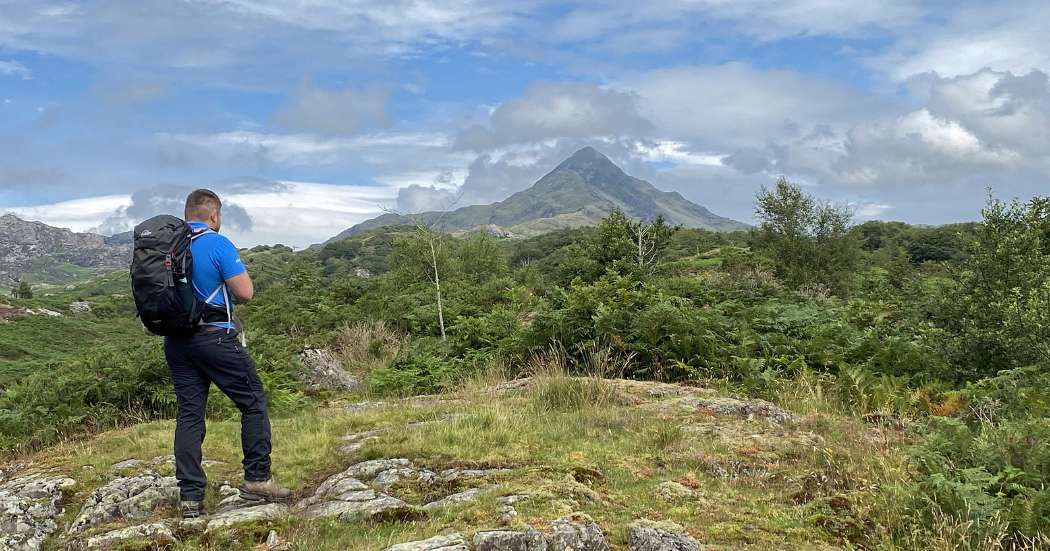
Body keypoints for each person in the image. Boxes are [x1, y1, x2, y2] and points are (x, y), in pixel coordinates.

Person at [165, 189, 290, 520]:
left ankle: (191, 498)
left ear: (186, 212)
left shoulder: (169, 246)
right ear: (214, 216)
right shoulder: (217, 243)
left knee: (190, 414)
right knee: (253, 402)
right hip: (215, 338)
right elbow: (245, 293)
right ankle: (257, 480)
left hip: (177, 342)